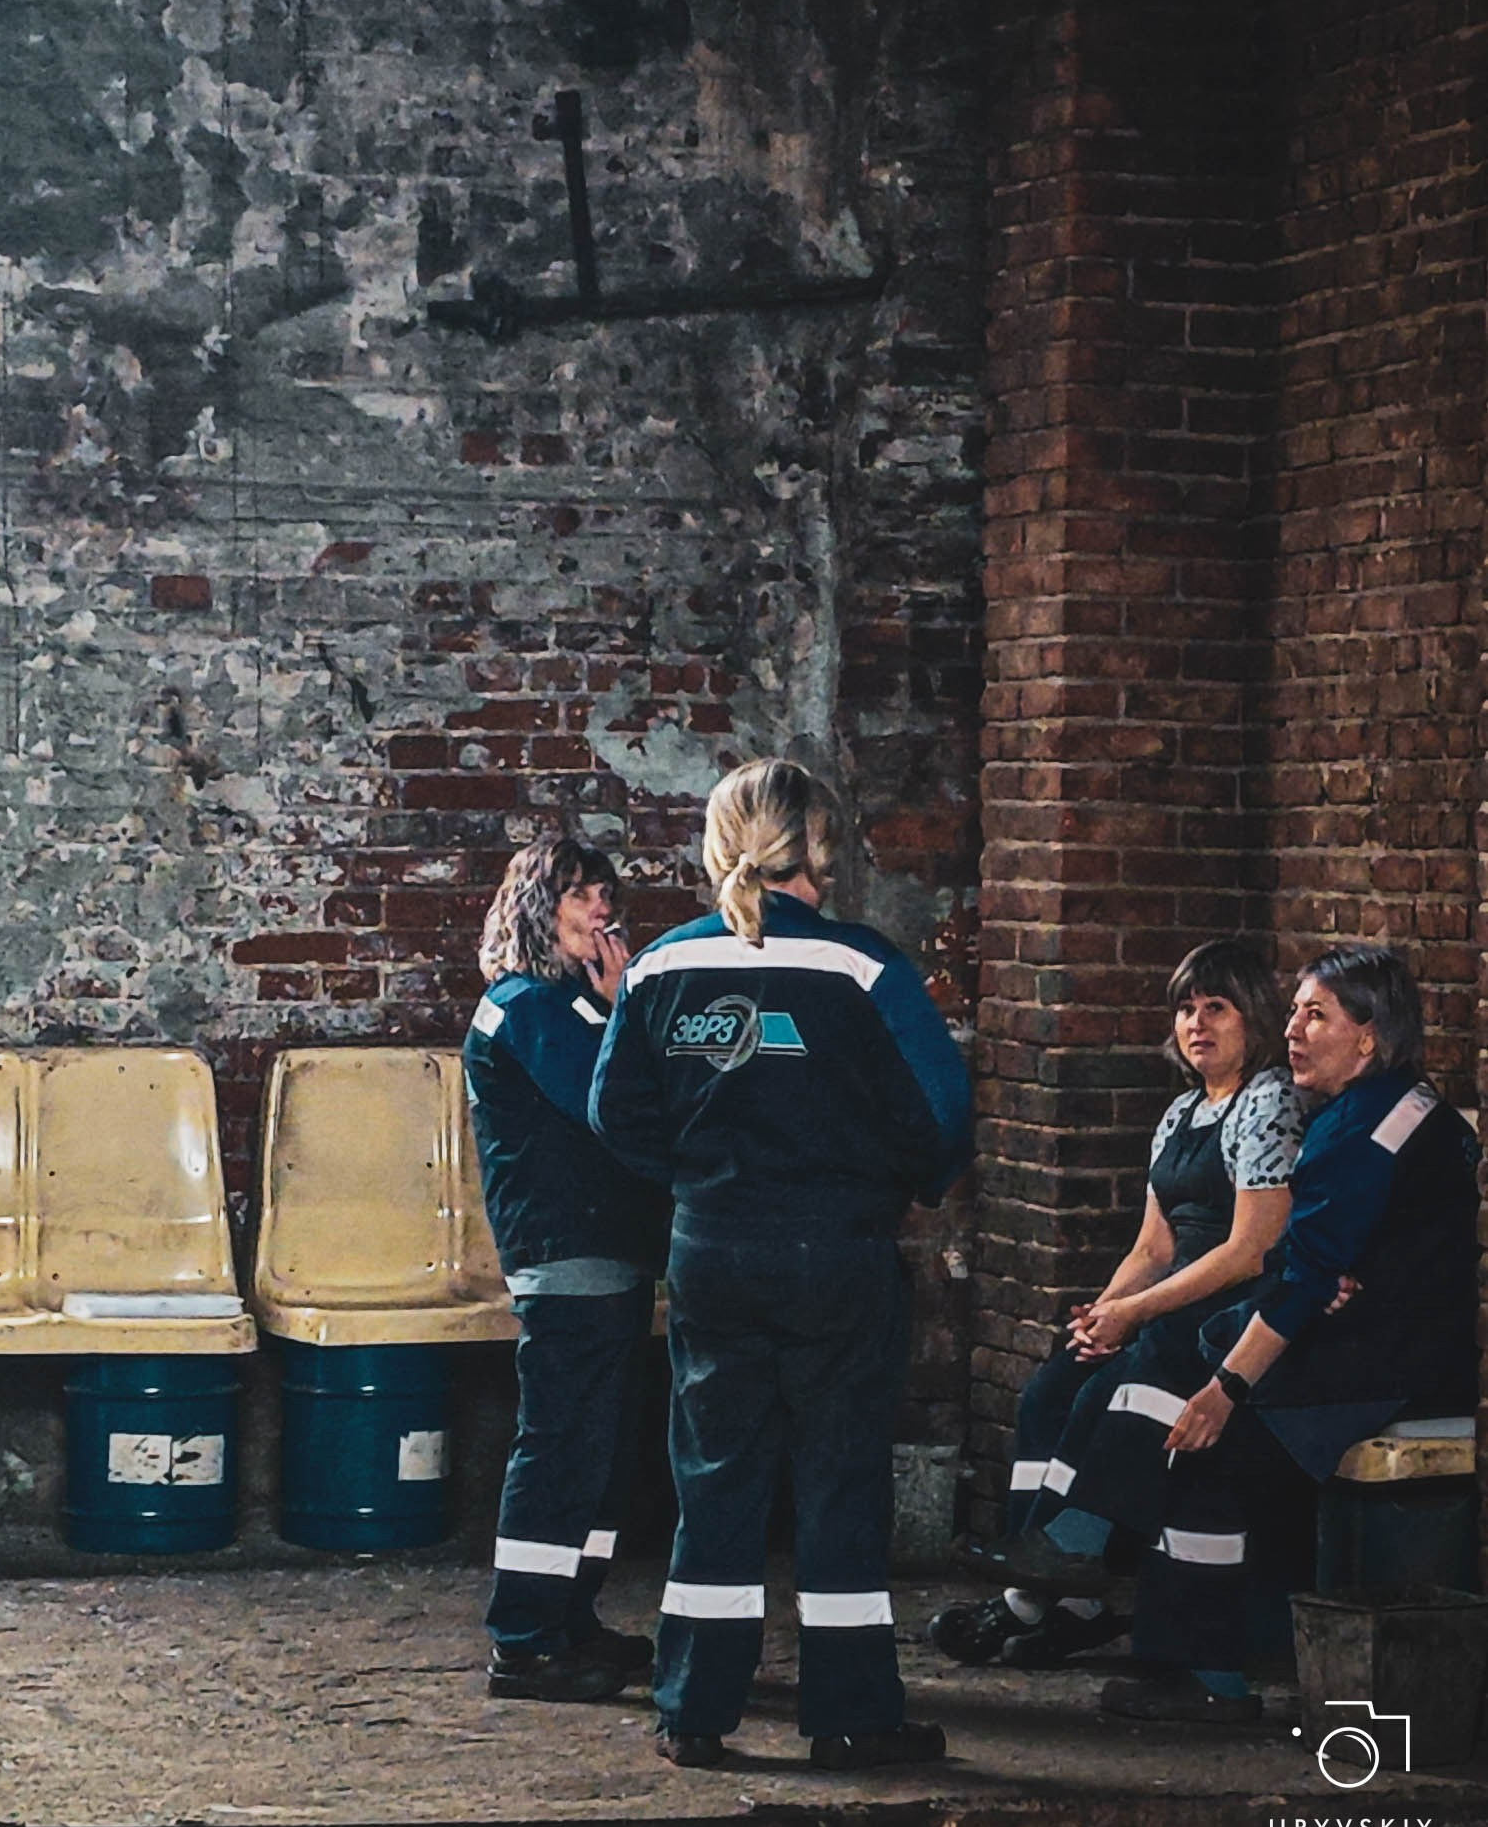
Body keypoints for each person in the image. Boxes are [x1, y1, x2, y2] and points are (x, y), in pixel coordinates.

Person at [590, 758, 971, 1769]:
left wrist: (699, 1181)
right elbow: (943, 1113)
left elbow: (614, 1114)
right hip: (836, 1252)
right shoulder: (862, 967)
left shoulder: (658, 970)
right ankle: (850, 1718)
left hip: (712, 1249)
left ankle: (692, 1710)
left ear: (720, 844)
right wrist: (895, 1183)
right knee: (840, 1482)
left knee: (715, 1480)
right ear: (819, 847)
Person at [996, 943, 1480, 1723]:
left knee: (1200, 1440)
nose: (1292, 1030)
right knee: (1181, 1371)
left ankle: (1190, 1661)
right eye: (1293, 1012)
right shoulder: (1400, 1106)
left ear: (1368, 1037)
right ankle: (1100, 1570)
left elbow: (1306, 1274)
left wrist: (1225, 1389)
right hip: (1392, 1345)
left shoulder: (1358, 1130)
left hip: (1383, 1367)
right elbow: (1326, 1258)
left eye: (1315, 1015)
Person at [928, 941, 1301, 1668]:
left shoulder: (1269, 1101)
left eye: (1217, 1008)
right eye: (1186, 1009)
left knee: (1129, 1374)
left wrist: (1138, 1314)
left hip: (1229, 1301)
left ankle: (1052, 1575)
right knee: (1054, 1385)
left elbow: (1251, 1248)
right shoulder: (1181, 1113)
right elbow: (1153, 1247)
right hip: (1171, 1293)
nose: (1197, 1024)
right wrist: (1103, 1315)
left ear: (1253, 1017)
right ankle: (1046, 1572)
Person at [466, 834, 673, 1703]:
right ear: (537, 909)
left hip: (607, 1253)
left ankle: (569, 1618)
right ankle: (524, 1641)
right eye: (581, 894)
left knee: (600, 1449)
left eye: (605, 892)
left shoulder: (570, 1004)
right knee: (562, 1446)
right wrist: (626, 1010)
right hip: (567, 1253)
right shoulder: (529, 1007)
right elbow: (611, 1104)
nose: (602, 909)